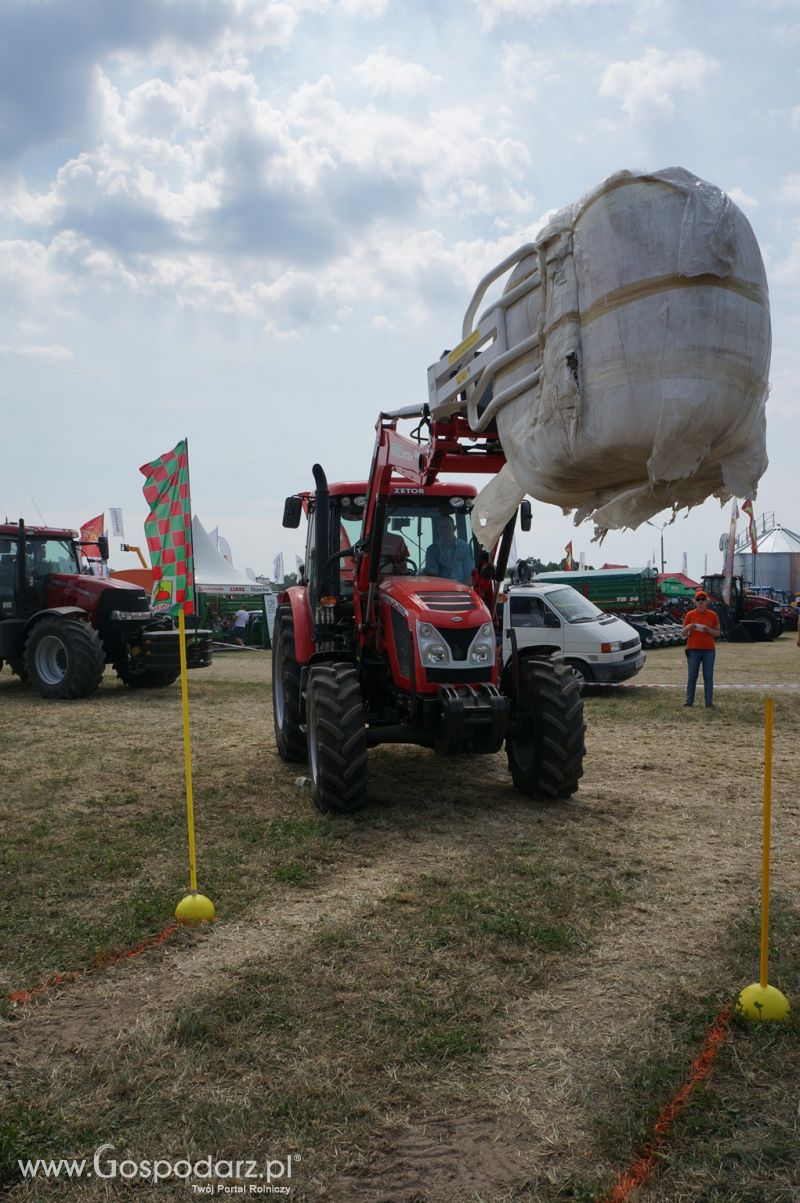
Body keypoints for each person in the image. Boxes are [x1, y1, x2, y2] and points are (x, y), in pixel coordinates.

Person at [682, 589, 720, 708]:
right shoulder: (690, 615)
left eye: (703, 599)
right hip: (693, 650)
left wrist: (709, 630)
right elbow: (683, 633)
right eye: (698, 599)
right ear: (695, 601)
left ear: (706, 601)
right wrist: (689, 627)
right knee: (692, 676)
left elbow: (718, 633)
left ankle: (708, 703)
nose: (700, 602)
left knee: (708, 676)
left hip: (709, 650)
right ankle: (689, 702)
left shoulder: (713, 615)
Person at [424, 515, 473, 585]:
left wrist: (460, 589)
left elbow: (470, 575)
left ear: (454, 528)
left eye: (447, 527)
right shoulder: (432, 550)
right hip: (440, 589)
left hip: (462, 588)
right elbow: (432, 575)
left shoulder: (465, 548)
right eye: (441, 528)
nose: (444, 530)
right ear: (438, 530)